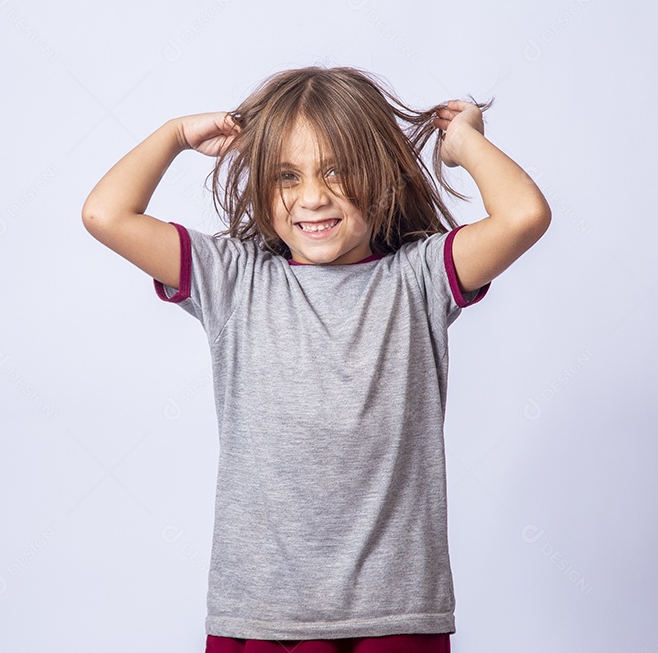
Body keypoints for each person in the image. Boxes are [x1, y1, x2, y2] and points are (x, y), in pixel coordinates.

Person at [82, 66, 551, 653]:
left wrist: (466, 144)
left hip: (394, 613)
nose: (312, 197)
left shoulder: (420, 277)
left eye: (337, 170)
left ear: (380, 176)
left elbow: (523, 216)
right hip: (260, 614)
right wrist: (175, 134)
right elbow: (106, 215)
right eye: (287, 175)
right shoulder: (234, 280)